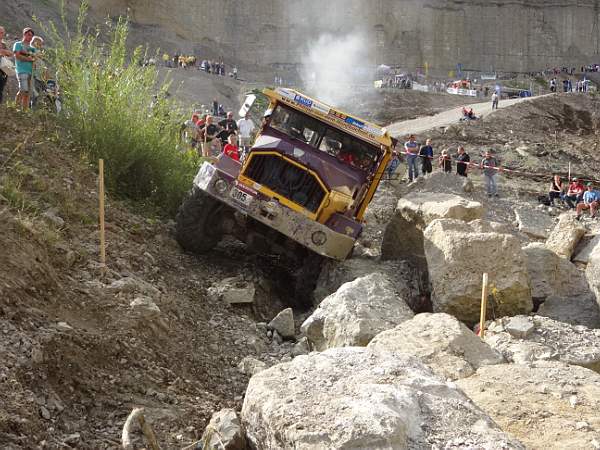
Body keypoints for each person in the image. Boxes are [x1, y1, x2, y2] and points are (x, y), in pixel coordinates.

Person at [13, 27, 37, 111]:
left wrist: (34, 59)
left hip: (31, 72)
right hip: (21, 70)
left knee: (27, 93)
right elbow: (17, 55)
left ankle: (24, 111)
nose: (30, 37)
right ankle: (15, 108)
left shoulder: (33, 48)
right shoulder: (18, 44)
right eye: (28, 35)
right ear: (24, 34)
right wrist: (28, 59)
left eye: (31, 36)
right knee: (23, 90)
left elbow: (35, 59)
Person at [0, 26, 13, 104]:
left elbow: (11, 54)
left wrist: (3, 51)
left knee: (1, 89)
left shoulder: (4, 44)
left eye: (2, 33)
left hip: (3, 70)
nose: (0, 34)